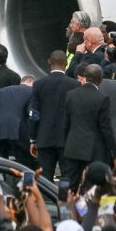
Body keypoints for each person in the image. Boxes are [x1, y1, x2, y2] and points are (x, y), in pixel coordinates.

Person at [61, 65, 116, 185]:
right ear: (100, 79)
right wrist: (115, 154)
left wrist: (66, 143)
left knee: (69, 183)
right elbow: (106, 129)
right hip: (93, 150)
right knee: (91, 186)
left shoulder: (71, 95)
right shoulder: (102, 98)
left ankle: (65, 198)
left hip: (73, 146)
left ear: (85, 76)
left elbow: (65, 124)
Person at [29, 51, 81, 181]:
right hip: (67, 139)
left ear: (49, 62)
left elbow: (34, 114)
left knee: (45, 178)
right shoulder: (74, 85)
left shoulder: (39, 84)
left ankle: (47, 195)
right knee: (67, 177)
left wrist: (33, 139)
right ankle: (64, 194)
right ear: (66, 63)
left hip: (44, 138)